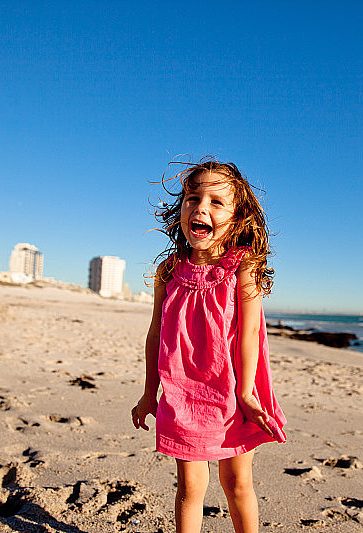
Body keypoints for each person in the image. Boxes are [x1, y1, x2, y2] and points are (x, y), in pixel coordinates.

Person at [131, 159, 286, 533]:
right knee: (189, 489)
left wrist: (246, 393)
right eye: (192, 198)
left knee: (237, 483)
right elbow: (156, 334)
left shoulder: (241, 266)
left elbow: (250, 333)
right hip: (183, 396)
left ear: (237, 217)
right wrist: (149, 392)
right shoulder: (169, 271)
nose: (200, 207)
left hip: (233, 392)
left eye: (216, 202)